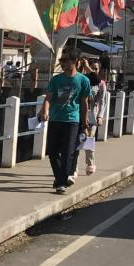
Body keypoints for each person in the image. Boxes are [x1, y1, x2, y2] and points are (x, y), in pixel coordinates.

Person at [39, 55, 91, 193]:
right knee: (52, 152)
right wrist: (44, 110)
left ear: (75, 62)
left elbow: (84, 103)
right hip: (55, 119)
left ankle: (61, 182)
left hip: (72, 120)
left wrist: (85, 125)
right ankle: (60, 177)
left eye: (66, 62)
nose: (63, 65)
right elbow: (49, 97)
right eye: (61, 63)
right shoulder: (56, 79)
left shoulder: (83, 80)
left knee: (68, 152)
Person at [82, 69, 108, 176]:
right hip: (80, 115)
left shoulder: (100, 84)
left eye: (96, 68)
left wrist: (100, 116)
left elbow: (103, 101)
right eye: (92, 68)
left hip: (92, 116)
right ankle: (72, 168)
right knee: (76, 141)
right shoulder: (82, 80)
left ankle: (90, 163)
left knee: (89, 139)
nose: (94, 70)